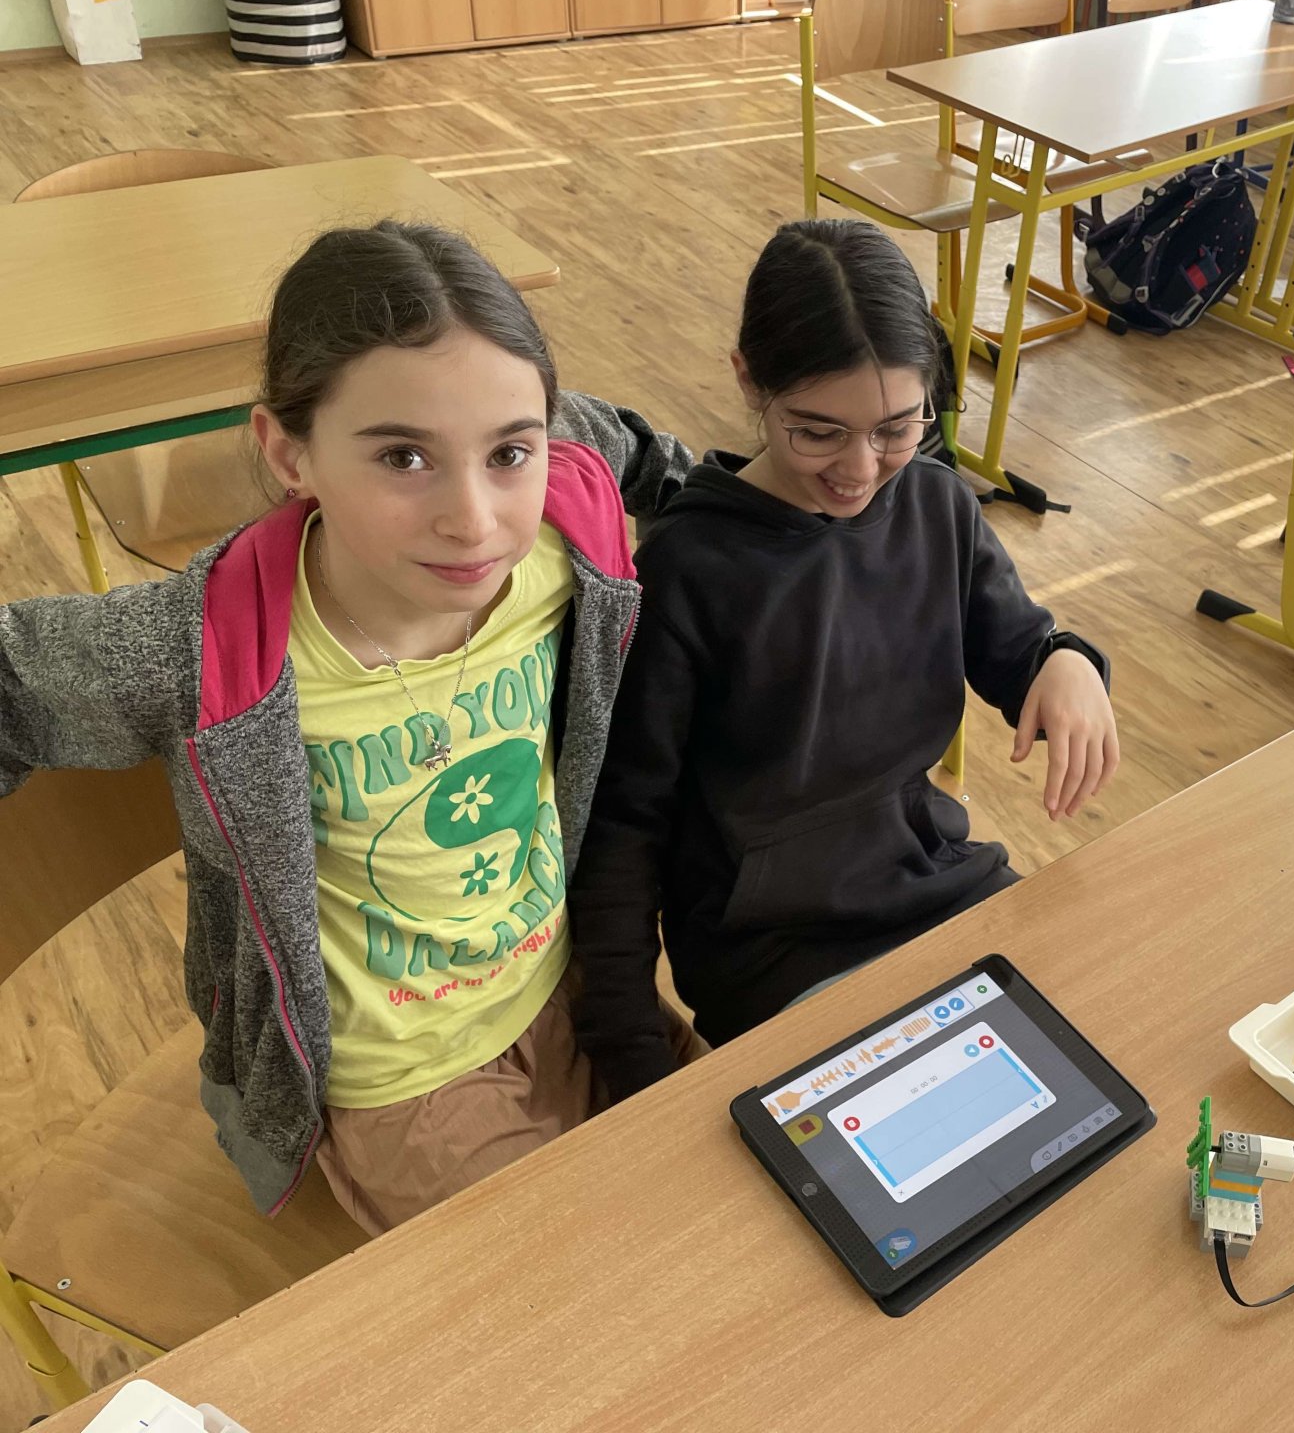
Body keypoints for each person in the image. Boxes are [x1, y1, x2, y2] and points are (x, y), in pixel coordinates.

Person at [0, 221, 695, 1235]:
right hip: (405, 1082)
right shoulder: (207, 647)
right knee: (593, 1281)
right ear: (290, 452)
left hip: (574, 982)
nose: (473, 519)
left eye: (510, 452)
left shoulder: (565, 520)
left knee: (740, 1193)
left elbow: (648, 458)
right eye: (404, 457)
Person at [570, 219, 1120, 1102]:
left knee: (1110, 1052)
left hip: (935, 884)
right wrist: (630, 1049)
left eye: (898, 428)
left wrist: (1066, 659)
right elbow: (623, 831)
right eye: (818, 432)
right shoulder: (687, 569)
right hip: (776, 951)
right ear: (748, 379)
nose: (861, 470)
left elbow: (1019, 647)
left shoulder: (934, 503)